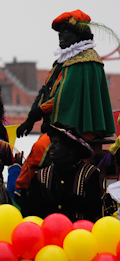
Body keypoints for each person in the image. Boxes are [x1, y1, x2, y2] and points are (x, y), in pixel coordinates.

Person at [15, 10, 116, 190]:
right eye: (59, 33)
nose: (61, 36)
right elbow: (46, 91)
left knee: (41, 149)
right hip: (61, 127)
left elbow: (64, 97)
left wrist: (39, 112)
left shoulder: (84, 62)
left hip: (81, 127)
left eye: (66, 32)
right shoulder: (64, 62)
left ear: (79, 34)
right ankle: (26, 191)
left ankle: (26, 191)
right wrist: (31, 117)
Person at [20, 123, 108, 223]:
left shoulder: (91, 175)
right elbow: (30, 213)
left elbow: (96, 210)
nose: (51, 147)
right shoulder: (41, 176)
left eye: (57, 143)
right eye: (51, 142)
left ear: (71, 149)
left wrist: (68, 198)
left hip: (80, 235)